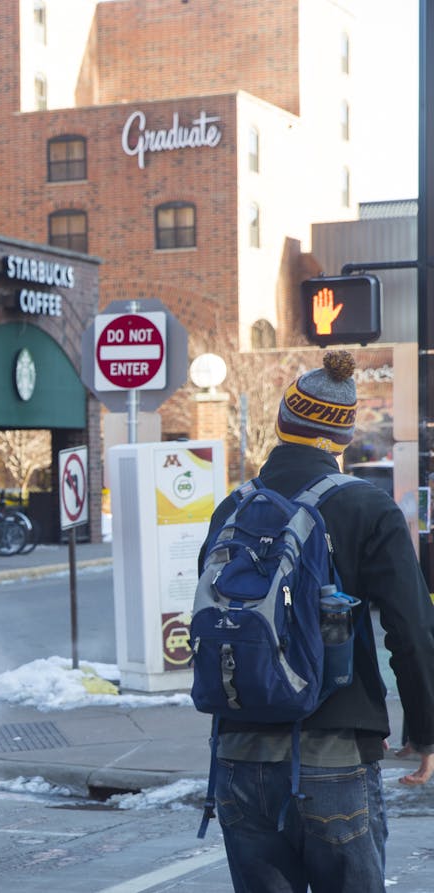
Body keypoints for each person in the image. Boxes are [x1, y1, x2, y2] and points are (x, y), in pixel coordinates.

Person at [201, 349, 434, 892]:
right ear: (344, 438)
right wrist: (425, 733)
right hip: (336, 750)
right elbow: (411, 630)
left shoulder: (231, 508)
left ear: (282, 422)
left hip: (237, 752)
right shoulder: (368, 507)